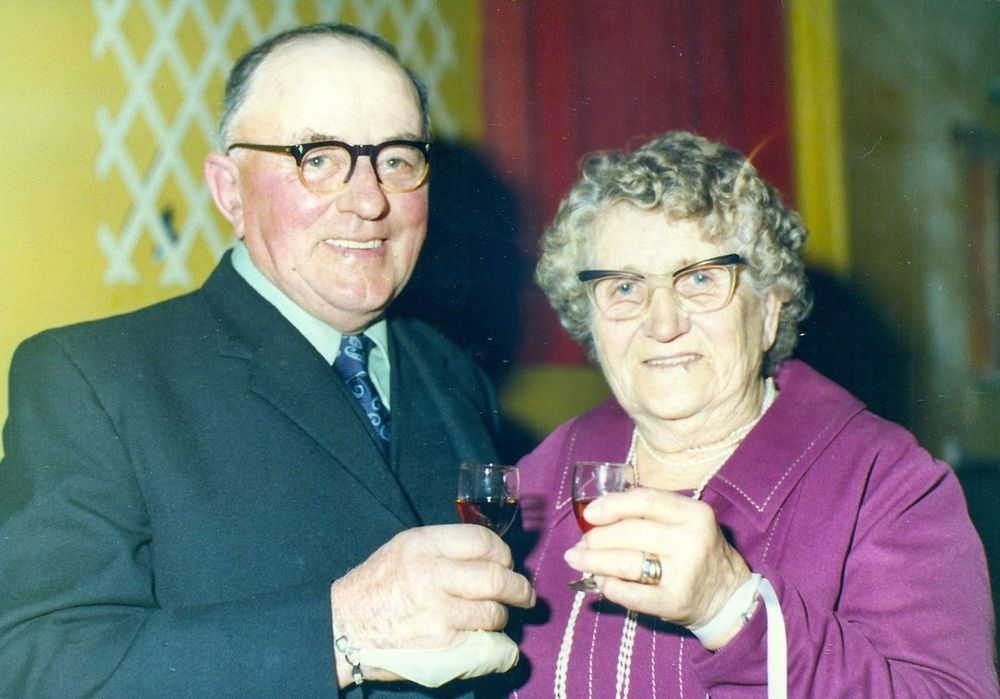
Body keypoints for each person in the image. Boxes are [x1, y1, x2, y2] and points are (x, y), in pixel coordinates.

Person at [0, 23, 534, 697]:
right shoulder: (95, 380)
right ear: (229, 191)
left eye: (397, 159)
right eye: (317, 157)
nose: (370, 201)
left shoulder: (452, 371)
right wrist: (342, 631)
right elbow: (36, 666)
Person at [509, 131, 998, 697]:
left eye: (700, 280)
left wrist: (732, 608)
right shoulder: (549, 469)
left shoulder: (885, 484)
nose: (662, 323)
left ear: (769, 309)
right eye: (624, 287)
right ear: (588, 319)